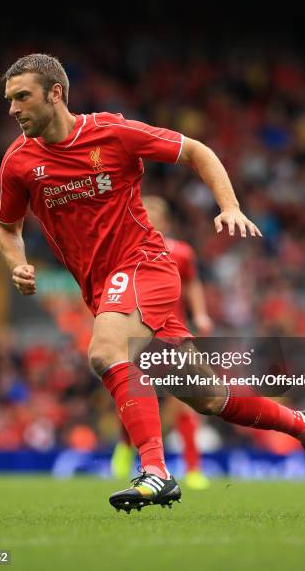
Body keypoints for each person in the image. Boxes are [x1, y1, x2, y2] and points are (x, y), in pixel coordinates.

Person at [0, 54, 305, 514]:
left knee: (105, 352)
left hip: (145, 265)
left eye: (22, 97)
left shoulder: (111, 132)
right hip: (102, 288)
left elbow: (197, 150)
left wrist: (230, 206)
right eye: (9, 100)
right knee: (208, 397)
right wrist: (16, 263)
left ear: (55, 93)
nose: (13, 109)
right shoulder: (19, 162)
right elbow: (6, 226)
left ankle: (157, 472)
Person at [111, 195, 213, 490]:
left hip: (171, 332)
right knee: (136, 392)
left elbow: (192, 282)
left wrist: (201, 314)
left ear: (165, 221)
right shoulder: (127, 249)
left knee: (184, 401)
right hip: (139, 331)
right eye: (146, 213)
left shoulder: (181, 252)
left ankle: (193, 468)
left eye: (155, 213)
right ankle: (125, 443)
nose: (149, 218)